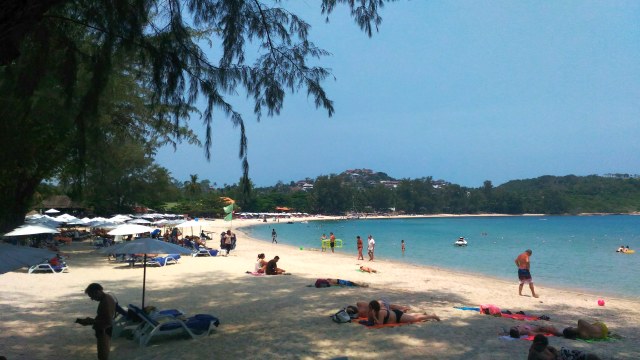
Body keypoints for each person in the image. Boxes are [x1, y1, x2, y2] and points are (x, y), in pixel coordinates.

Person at [75, 283, 116, 360]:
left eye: (92, 296)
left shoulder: (105, 302)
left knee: (103, 356)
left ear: (97, 292)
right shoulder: (108, 297)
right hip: (105, 330)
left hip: (104, 331)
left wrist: (92, 321)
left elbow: (108, 321)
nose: (92, 299)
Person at [528, 334, 602, 360]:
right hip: (563, 356)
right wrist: (555, 354)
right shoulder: (534, 353)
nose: (545, 347)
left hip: (563, 354)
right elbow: (550, 358)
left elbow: (553, 350)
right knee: (588, 357)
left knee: (589, 356)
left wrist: (555, 353)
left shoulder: (542, 347)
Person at [367, 300, 440, 325]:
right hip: (395, 314)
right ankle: (423, 314)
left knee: (415, 319)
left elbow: (380, 324)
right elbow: (370, 321)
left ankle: (433, 316)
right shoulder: (375, 312)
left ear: (374, 308)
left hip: (398, 316)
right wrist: (370, 315)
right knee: (411, 316)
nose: (369, 309)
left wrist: (373, 317)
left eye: (370, 308)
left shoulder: (380, 312)